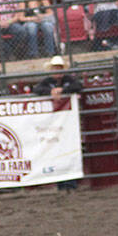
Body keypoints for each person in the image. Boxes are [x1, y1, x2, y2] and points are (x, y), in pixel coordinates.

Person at [34, 56, 84, 192]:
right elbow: (37, 89)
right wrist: (50, 92)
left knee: (69, 148)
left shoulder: (69, 80)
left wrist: (62, 91)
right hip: (54, 124)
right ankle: (62, 182)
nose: (57, 71)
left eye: (59, 68)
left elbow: (79, 86)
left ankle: (71, 182)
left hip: (67, 122)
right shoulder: (47, 82)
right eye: (55, 68)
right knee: (57, 149)